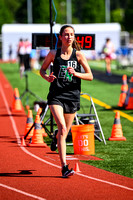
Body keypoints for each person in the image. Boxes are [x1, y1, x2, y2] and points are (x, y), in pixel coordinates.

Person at [40, 24, 93, 178]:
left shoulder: (78, 56)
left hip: (72, 96)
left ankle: (57, 135)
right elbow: (42, 70)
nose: (69, 37)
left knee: (64, 131)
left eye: (71, 34)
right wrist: (46, 77)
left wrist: (76, 73)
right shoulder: (53, 53)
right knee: (63, 128)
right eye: (66, 34)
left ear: (74, 37)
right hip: (56, 96)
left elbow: (90, 76)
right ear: (61, 37)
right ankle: (64, 167)